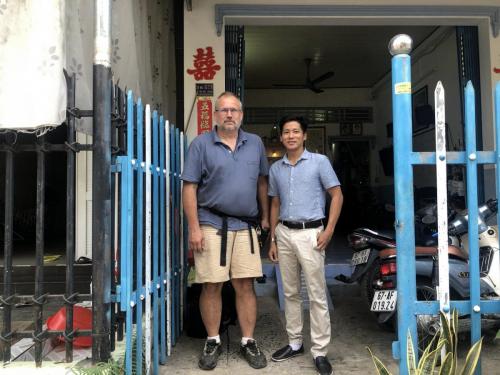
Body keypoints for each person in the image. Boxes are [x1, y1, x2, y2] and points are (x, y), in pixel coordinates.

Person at [181, 91, 269, 371]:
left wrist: (265, 216)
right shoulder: (201, 144)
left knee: (245, 285)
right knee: (212, 285)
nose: (229, 114)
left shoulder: (254, 143)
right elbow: (189, 188)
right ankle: (212, 339)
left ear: (241, 115)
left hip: (246, 226)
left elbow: (262, 183)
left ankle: (248, 340)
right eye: (224, 110)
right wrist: (194, 228)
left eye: (234, 110)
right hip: (211, 225)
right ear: (215, 115)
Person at [268, 115, 343, 375]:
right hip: (284, 233)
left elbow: (336, 195)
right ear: (281, 137)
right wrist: (273, 239)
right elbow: (275, 203)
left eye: (295, 131)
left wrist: (330, 229)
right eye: (286, 131)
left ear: (305, 135)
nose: (290, 136)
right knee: (290, 293)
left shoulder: (319, 162)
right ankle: (295, 342)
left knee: (316, 294)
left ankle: (320, 351)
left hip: (312, 233)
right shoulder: (276, 169)